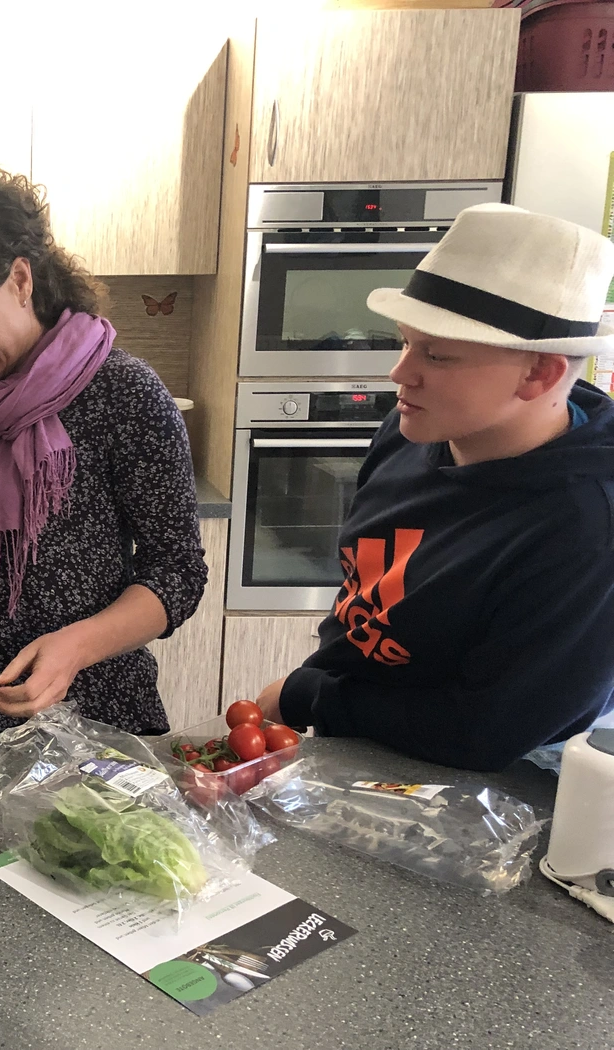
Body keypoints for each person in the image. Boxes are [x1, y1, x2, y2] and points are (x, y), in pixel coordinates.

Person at [255, 203, 614, 771]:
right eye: (405, 341)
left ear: (539, 373)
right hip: (357, 743)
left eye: (438, 355)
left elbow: (486, 732)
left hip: (483, 790)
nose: (400, 373)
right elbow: (366, 596)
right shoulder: (411, 431)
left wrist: (306, 694)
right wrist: (319, 693)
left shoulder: (586, 527)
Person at [0, 167, 207, 736]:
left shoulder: (125, 394)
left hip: (99, 719)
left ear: (20, 280)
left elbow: (177, 571)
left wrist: (76, 647)